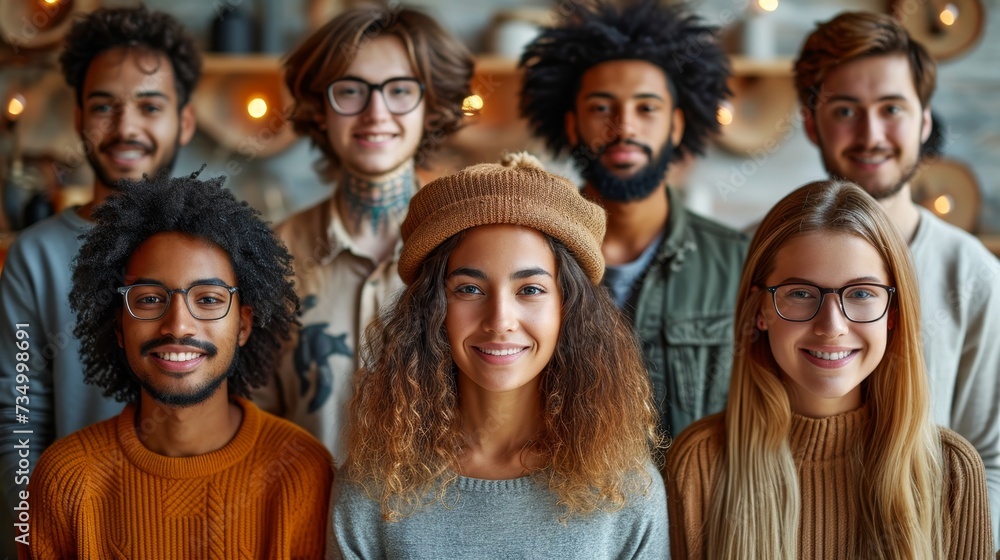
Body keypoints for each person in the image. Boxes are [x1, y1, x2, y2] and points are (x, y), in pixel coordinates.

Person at [330, 153, 667, 558]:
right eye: (469, 289)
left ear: (569, 309)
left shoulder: (625, 488)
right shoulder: (373, 484)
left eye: (530, 289)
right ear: (431, 308)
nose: (499, 320)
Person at [665, 180, 993, 559]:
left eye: (861, 293)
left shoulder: (953, 471)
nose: (832, 325)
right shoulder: (699, 462)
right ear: (760, 311)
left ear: (893, 315)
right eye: (801, 293)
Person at [19, 170, 333, 558]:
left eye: (209, 299)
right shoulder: (65, 480)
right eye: (150, 299)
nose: (178, 326)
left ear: (244, 326)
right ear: (119, 326)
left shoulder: (302, 473)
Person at [794, 12, 1000, 544]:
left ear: (924, 122)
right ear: (811, 122)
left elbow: (994, 458)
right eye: (845, 110)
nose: (871, 135)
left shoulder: (973, 273)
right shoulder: (755, 256)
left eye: (892, 109)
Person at [0, 6, 201, 553]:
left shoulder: (220, 254)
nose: (126, 127)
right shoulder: (35, 256)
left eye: (149, 106)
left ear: (184, 120)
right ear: (78, 118)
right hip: (79, 530)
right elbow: (19, 414)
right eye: (103, 106)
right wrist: (26, 535)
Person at [518, 0, 748, 438]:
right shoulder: (527, 257)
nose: (624, 127)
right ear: (572, 126)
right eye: (602, 108)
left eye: (647, 108)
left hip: (696, 507)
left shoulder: (739, 264)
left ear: (676, 126)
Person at [262, 5, 474, 460]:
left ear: (430, 106)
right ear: (320, 110)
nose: (376, 112)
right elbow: (255, 418)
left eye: (400, 90)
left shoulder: (470, 244)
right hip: (306, 521)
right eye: (351, 91)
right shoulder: (271, 256)